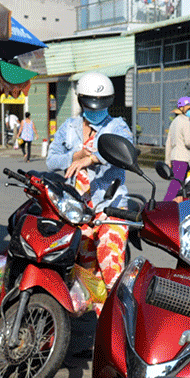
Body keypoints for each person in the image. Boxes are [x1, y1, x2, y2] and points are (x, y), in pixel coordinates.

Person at [46, 71, 135, 289]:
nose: (96, 111)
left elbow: (126, 150)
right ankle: (99, 319)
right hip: (79, 211)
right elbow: (51, 160)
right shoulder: (69, 127)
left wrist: (93, 158)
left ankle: (119, 320)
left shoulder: (117, 126)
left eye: (101, 105)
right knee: (87, 276)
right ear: (81, 101)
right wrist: (74, 157)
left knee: (110, 270)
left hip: (110, 209)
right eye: (91, 105)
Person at [162, 96, 190, 202]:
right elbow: (188, 142)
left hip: (175, 157)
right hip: (183, 158)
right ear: (183, 109)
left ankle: (177, 206)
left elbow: (168, 142)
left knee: (184, 186)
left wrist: (168, 160)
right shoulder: (185, 122)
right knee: (175, 186)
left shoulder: (175, 122)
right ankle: (165, 206)